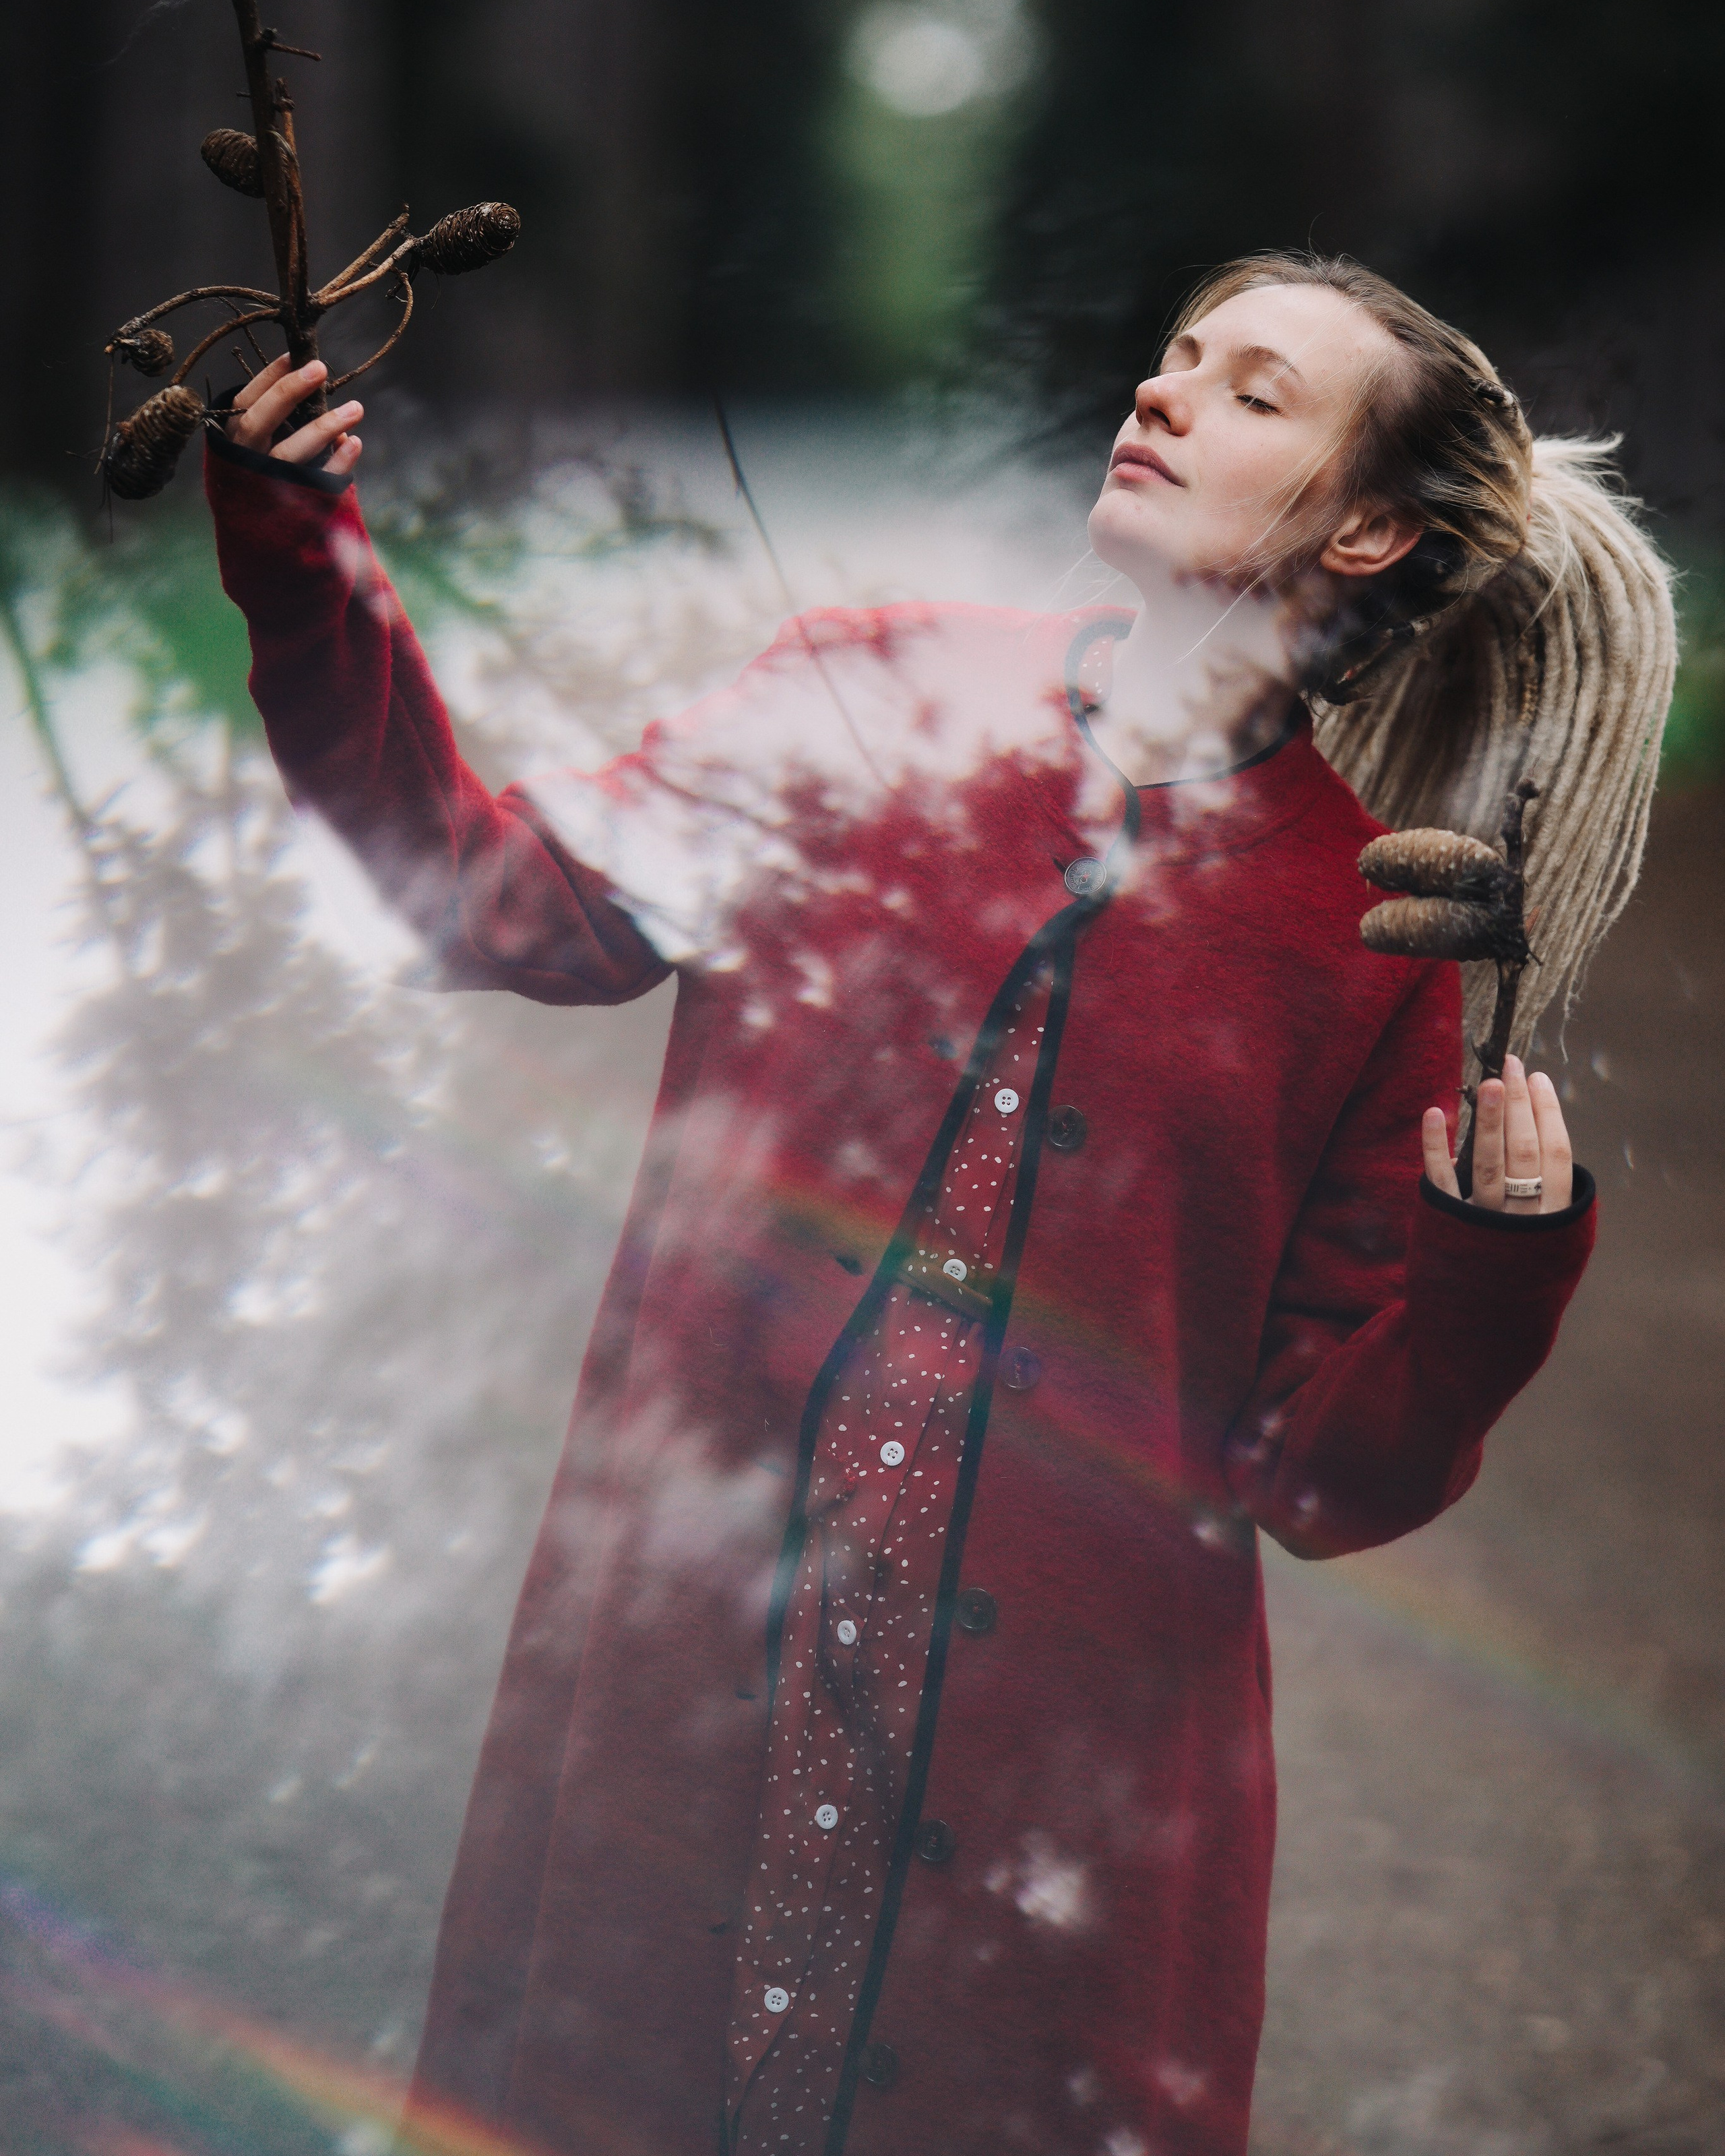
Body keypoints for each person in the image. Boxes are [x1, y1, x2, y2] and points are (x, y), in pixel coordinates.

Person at [201, 252, 1674, 2156]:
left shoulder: (1368, 927)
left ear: (1372, 527)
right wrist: (301, 558)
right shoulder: (866, 687)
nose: (1164, 396)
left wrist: (1491, 1272)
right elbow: (477, 892)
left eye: (1251, 394)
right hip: (697, 1644)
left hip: (1067, 1782)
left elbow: (1321, 1479)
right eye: (1174, 359)